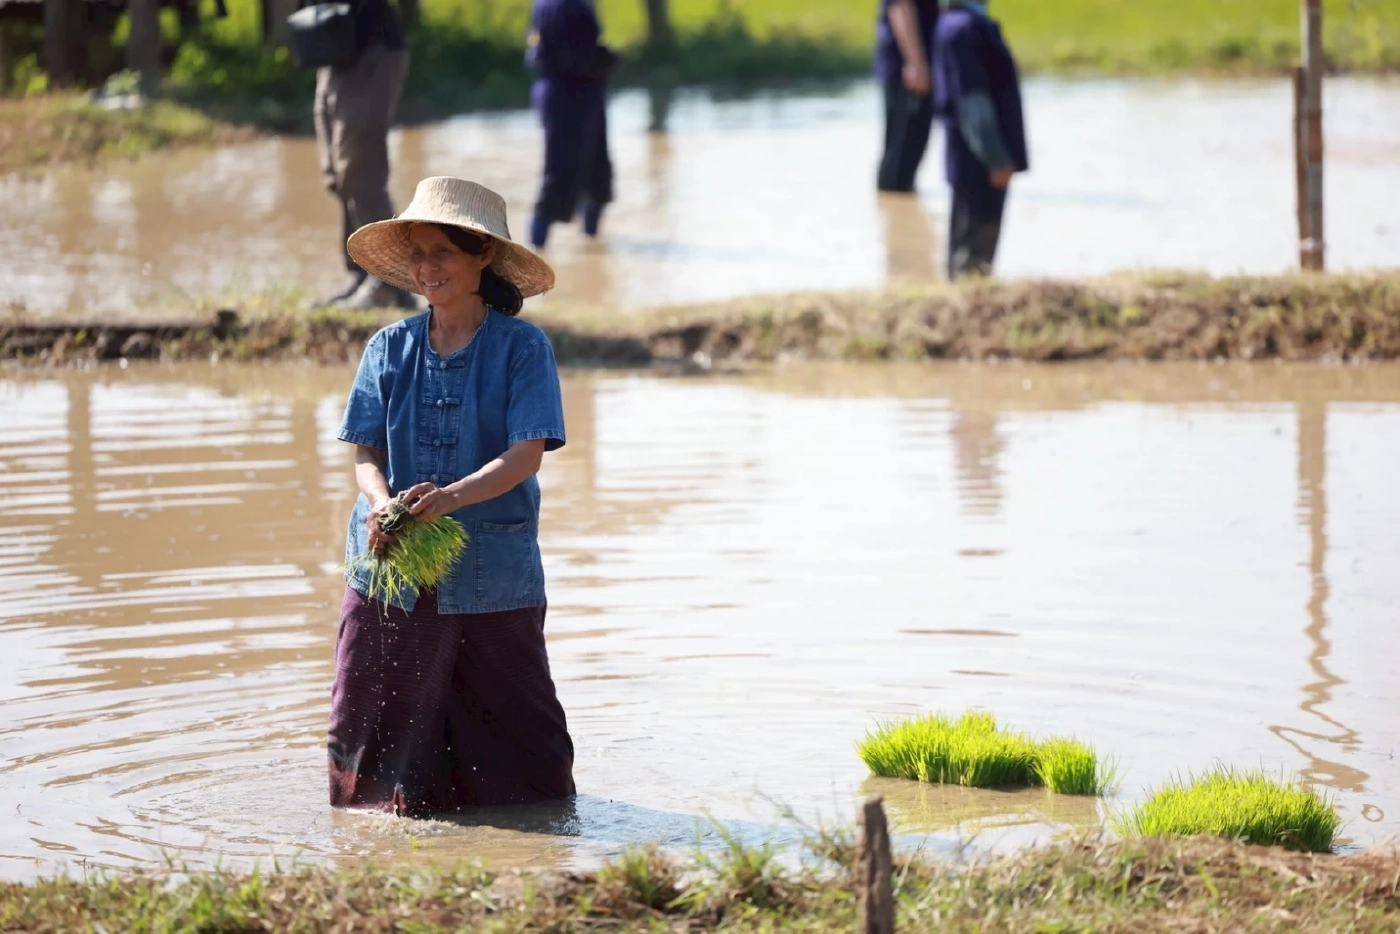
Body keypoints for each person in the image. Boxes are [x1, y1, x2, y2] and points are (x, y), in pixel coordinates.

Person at [328, 176, 575, 816]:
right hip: (388, 558)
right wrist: (382, 501)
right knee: (374, 714)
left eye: (442, 252)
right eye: (418, 253)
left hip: (492, 569)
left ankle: (531, 830)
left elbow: (525, 454)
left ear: (481, 257)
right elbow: (365, 452)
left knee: (517, 723)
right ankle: (373, 824)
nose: (426, 267)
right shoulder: (389, 346)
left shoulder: (523, 349)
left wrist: (454, 497)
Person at [312, 0, 416, 309]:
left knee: (361, 173)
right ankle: (362, 273)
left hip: (373, 47)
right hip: (332, 50)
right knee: (336, 176)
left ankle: (389, 281)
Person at [932, 0, 1028, 278]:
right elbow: (972, 102)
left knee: (970, 238)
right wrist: (996, 158)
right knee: (974, 246)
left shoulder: (958, 24)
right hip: (978, 158)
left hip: (971, 155)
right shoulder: (965, 29)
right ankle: (967, 300)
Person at [526, 0, 620, 249]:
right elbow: (576, 58)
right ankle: (536, 251)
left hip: (576, 96)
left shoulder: (550, 3)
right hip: (567, 97)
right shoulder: (568, 6)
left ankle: (591, 241)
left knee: (598, 173)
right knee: (560, 176)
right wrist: (609, 60)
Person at [875, 0, 940, 193]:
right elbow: (900, 7)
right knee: (902, 153)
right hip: (908, 69)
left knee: (914, 145)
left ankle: (901, 210)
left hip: (921, 64)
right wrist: (916, 63)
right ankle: (894, 212)